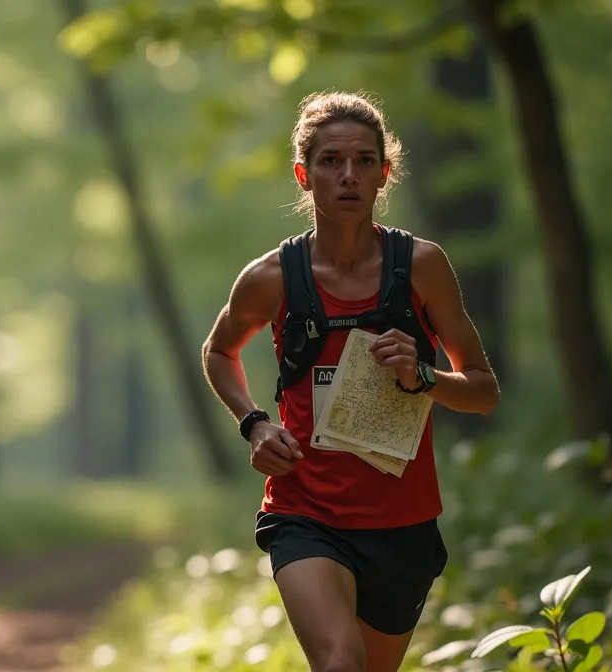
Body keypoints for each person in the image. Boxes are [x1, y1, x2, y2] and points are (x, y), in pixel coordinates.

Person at [201, 90, 501, 672]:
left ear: (385, 174)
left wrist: (424, 376)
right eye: (331, 161)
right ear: (303, 173)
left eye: (365, 161)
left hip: (403, 523)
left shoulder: (422, 267)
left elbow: (484, 391)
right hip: (304, 510)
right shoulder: (271, 277)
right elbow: (218, 352)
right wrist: (254, 422)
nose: (348, 176)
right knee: (340, 663)